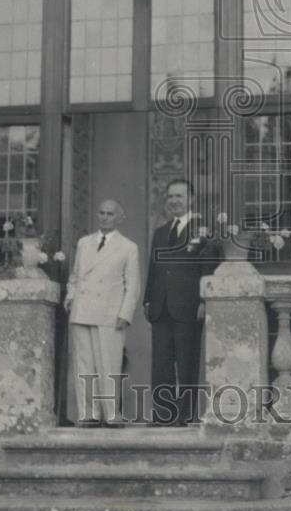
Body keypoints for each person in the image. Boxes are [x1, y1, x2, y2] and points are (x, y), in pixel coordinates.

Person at [143, 178, 221, 425]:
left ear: (191, 199)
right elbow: (153, 269)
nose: (174, 201)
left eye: (179, 196)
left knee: (187, 362)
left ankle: (185, 415)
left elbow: (207, 267)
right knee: (161, 365)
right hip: (160, 306)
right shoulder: (161, 232)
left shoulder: (203, 231)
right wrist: (147, 300)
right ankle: (163, 415)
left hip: (188, 306)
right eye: (170, 197)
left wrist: (202, 301)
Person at [65, 199, 140, 427]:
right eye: (102, 213)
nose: (105, 217)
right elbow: (75, 276)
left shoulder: (128, 247)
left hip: (109, 312)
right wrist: (70, 297)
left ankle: (111, 414)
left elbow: (133, 285)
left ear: (119, 217)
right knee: (84, 365)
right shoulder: (84, 243)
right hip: (82, 309)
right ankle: (89, 414)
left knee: (109, 364)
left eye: (110, 213)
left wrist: (125, 313)